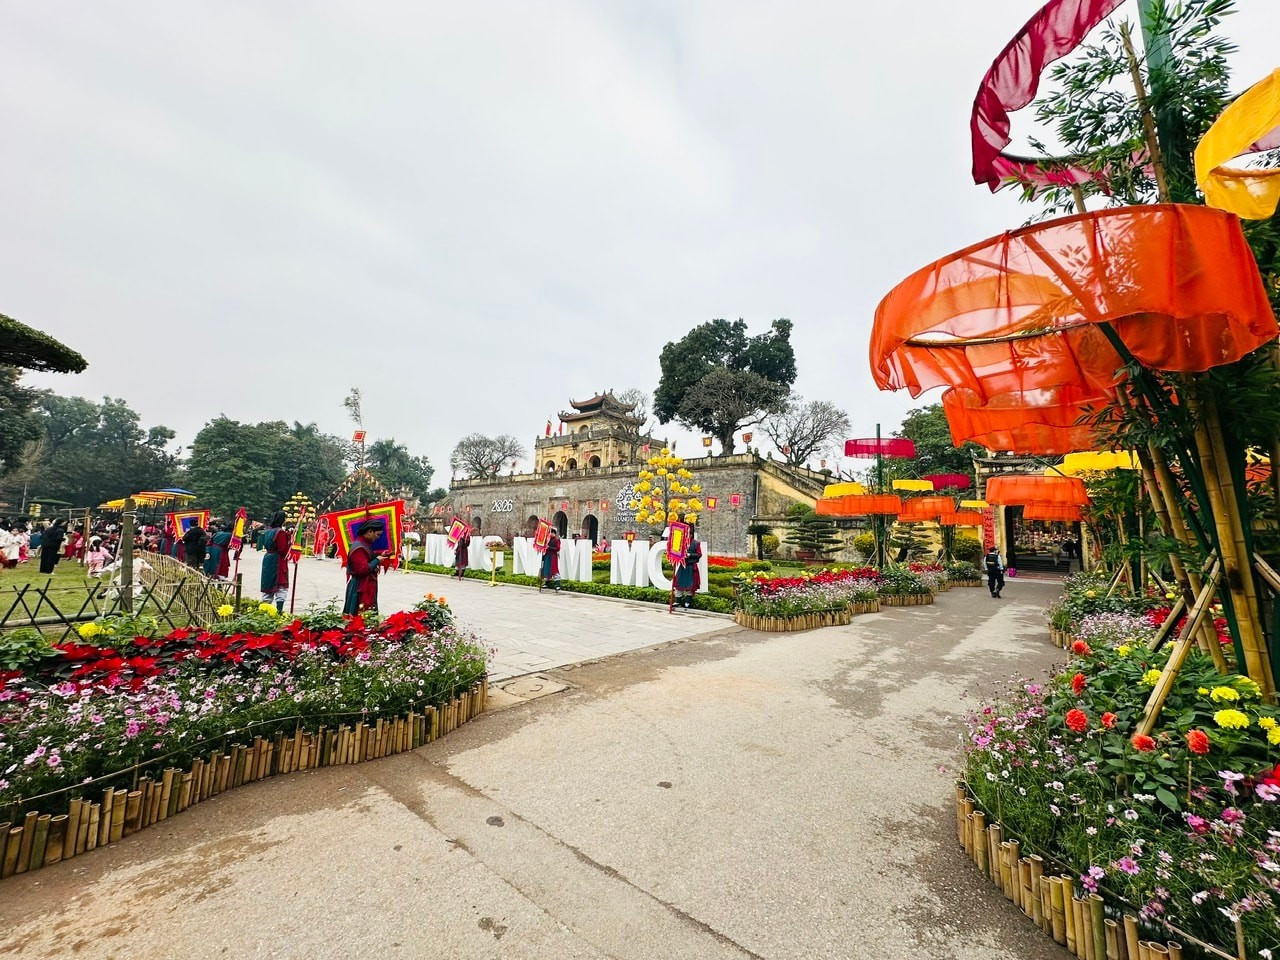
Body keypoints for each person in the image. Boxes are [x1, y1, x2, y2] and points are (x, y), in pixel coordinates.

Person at [343, 520, 383, 615]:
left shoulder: (364, 544)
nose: (378, 537)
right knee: (359, 615)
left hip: (366, 584)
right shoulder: (359, 548)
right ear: (369, 532)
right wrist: (377, 560)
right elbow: (361, 569)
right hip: (359, 587)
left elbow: (367, 559)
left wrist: (379, 556)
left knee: (367, 613)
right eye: (377, 534)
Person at [260, 510, 291, 612]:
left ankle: (264, 610)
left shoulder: (268, 531)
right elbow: (283, 549)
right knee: (280, 584)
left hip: (268, 558)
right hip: (277, 560)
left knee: (268, 582)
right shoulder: (280, 532)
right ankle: (279, 611)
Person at [672, 527, 703, 610]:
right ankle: (677, 601)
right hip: (682, 566)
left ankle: (688, 602)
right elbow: (676, 551)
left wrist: (690, 555)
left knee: (690, 585)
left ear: (691, 534)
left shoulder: (696, 543)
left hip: (691, 566)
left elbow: (699, 554)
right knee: (678, 583)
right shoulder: (681, 542)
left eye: (687, 534)